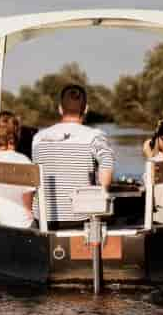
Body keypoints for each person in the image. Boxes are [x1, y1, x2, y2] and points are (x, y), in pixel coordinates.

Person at [31, 84, 115, 227]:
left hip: (45, 220)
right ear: (86, 109)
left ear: (60, 109)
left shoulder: (38, 138)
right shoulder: (94, 136)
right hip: (81, 219)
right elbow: (106, 165)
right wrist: (102, 191)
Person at [0, 111, 35, 228]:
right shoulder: (23, 161)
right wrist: (29, 212)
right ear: (17, 133)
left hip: (1, 219)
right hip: (24, 223)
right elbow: (27, 198)